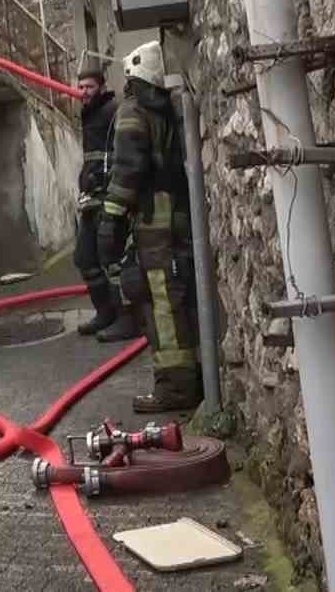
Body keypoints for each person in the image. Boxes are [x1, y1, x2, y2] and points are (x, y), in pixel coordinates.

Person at [97, 40, 202, 413]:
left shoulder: (134, 111)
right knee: (175, 299)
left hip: (153, 224)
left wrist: (110, 221)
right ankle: (190, 378)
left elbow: (127, 172)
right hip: (177, 217)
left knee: (160, 304)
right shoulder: (170, 109)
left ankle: (176, 390)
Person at [72, 64, 127, 338]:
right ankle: (105, 313)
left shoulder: (112, 111)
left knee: (113, 259)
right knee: (85, 257)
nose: (84, 92)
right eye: (80, 87)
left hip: (108, 198)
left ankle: (126, 318)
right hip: (90, 200)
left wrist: (108, 187)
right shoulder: (89, 114)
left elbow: (119, 155)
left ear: (101, 88)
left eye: (89, 87)